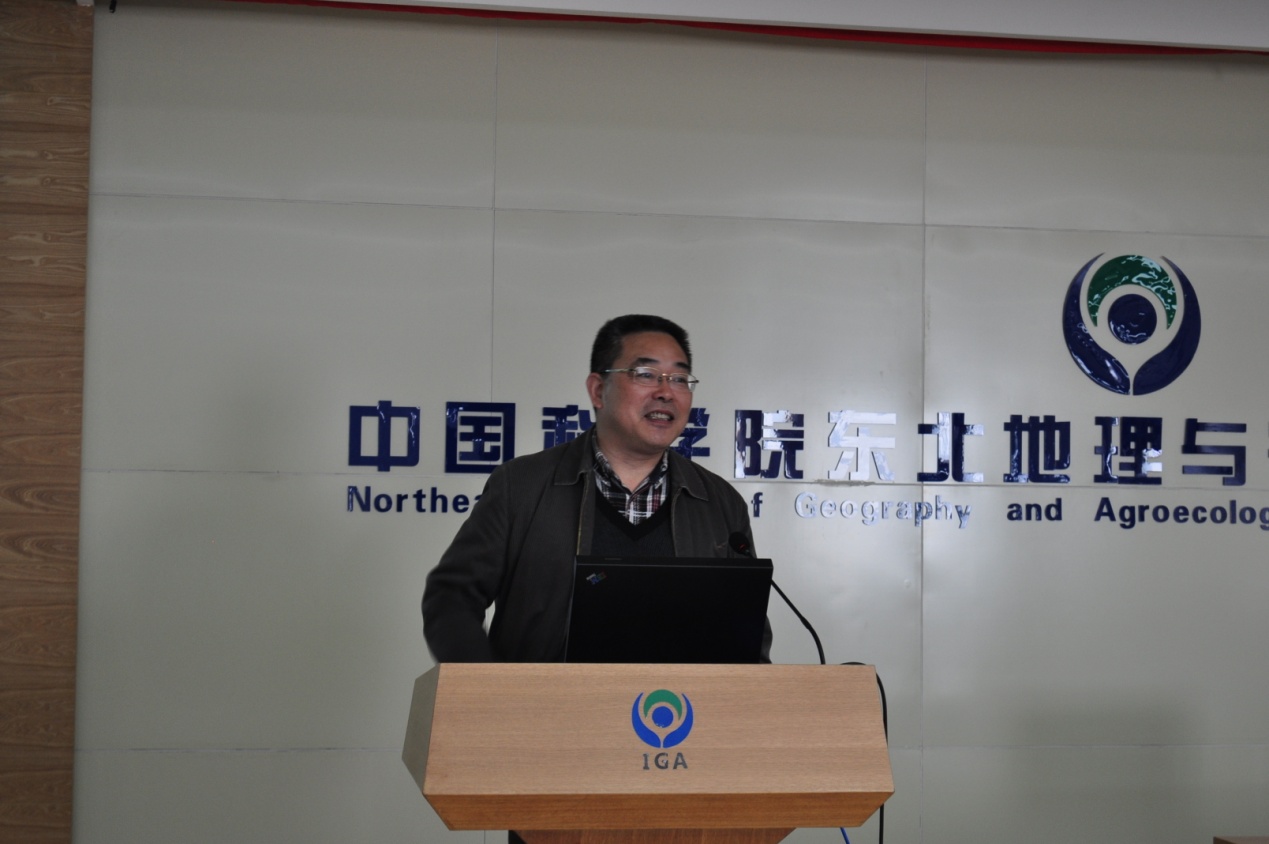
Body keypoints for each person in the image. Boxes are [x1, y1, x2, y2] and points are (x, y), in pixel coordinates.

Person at [422, 313, 769, 663]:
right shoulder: (521, 486)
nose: (666, 392)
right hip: (545, 699)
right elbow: (450, 597)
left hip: (676, 700)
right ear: (598, 390)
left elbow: (748, 634)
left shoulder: (720, 502)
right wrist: (487, 686)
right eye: (646, 374)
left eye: (679, 379)